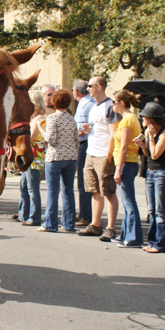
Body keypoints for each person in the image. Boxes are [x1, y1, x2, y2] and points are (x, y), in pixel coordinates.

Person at [78, 76, 121, 240]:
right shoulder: (94, 107)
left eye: (90, 86)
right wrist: (87, 129)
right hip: (91, 152)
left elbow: (114, 134)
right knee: (94, 191)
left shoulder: (110, 106)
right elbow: (97, 128)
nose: (88, 89)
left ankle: (111, 228)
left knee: (108, 191)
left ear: (100, 87)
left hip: (103, 154)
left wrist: (109, 156)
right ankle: (95, 225)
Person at [34, 89, 79, 232]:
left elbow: (51, 139)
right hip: (70, 157)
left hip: (55, 157)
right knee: (68, 191)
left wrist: (41, 129)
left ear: (54, 102)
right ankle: (69, 223)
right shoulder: (71, 118)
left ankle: (50, 224)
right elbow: (76, 139)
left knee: (52, 191)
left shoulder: (52, 118)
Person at [135, 102, 165, 253]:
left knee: (159, 210)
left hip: (161, 172)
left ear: (152, 119)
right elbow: (149, 155)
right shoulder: (148, 131)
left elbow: (156, 154)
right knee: (151, 210)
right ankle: (151, 241)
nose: (143, 120)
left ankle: (160, 244)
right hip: (150, 171)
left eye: (145, 117)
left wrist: (150, 138)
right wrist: (142, 145)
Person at [110, 90, 142, 247]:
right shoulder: (131, 118)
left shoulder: (127, 120)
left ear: (122, 103)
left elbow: (124, 147)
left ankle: (133, 237)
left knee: (129, 201)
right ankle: (125, 234)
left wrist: (118, 169)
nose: (112, 105)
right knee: (126, 200)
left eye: (114, 102)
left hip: (126, 162)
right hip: (128, 162)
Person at [17, 91, 47, 226]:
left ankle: (34, 217)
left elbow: (30, 138)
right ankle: (23, 214)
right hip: (32, 157)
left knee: (31, 188)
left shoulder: (37, 120)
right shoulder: (35, 118)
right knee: (24, 186)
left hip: (34, 157)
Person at [73, 79, 95, 226]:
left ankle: (85, 215)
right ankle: (84, 213)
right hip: (90, 144)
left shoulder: (83, 104)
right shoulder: (92, 102)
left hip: (84, 144)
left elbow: (81, 131)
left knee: (83, 180)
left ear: (75, 91)